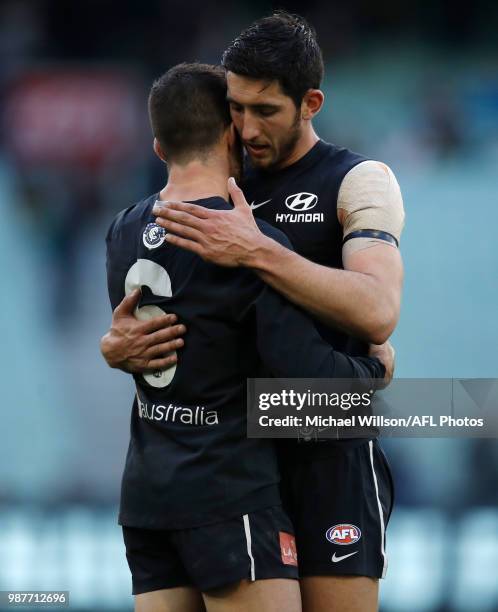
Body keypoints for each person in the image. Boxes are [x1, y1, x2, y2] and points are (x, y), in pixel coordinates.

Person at [104, 62, 393, 612]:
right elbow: (311, 375)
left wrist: (109, 348)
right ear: (229, 132)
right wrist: (374, 370)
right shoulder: (246, 239)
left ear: (159, 148)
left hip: (147, 491)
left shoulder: (121, 229)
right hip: (230, 488)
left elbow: (135, 334)